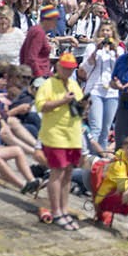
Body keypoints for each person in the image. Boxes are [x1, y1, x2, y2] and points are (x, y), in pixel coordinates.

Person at [35, 51, 86, 230]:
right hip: (54, 134)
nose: (68, 72)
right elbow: (41, 106)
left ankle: (64, 209)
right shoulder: (48, 84)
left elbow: (78, 107)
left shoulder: (74, 83)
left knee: (68, 174)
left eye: (71, 69)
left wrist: (84, 106)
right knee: (57, 173)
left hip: (72, 135)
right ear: (58, 67)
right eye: (65, 68)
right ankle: (56, 211)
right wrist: (62, 101)